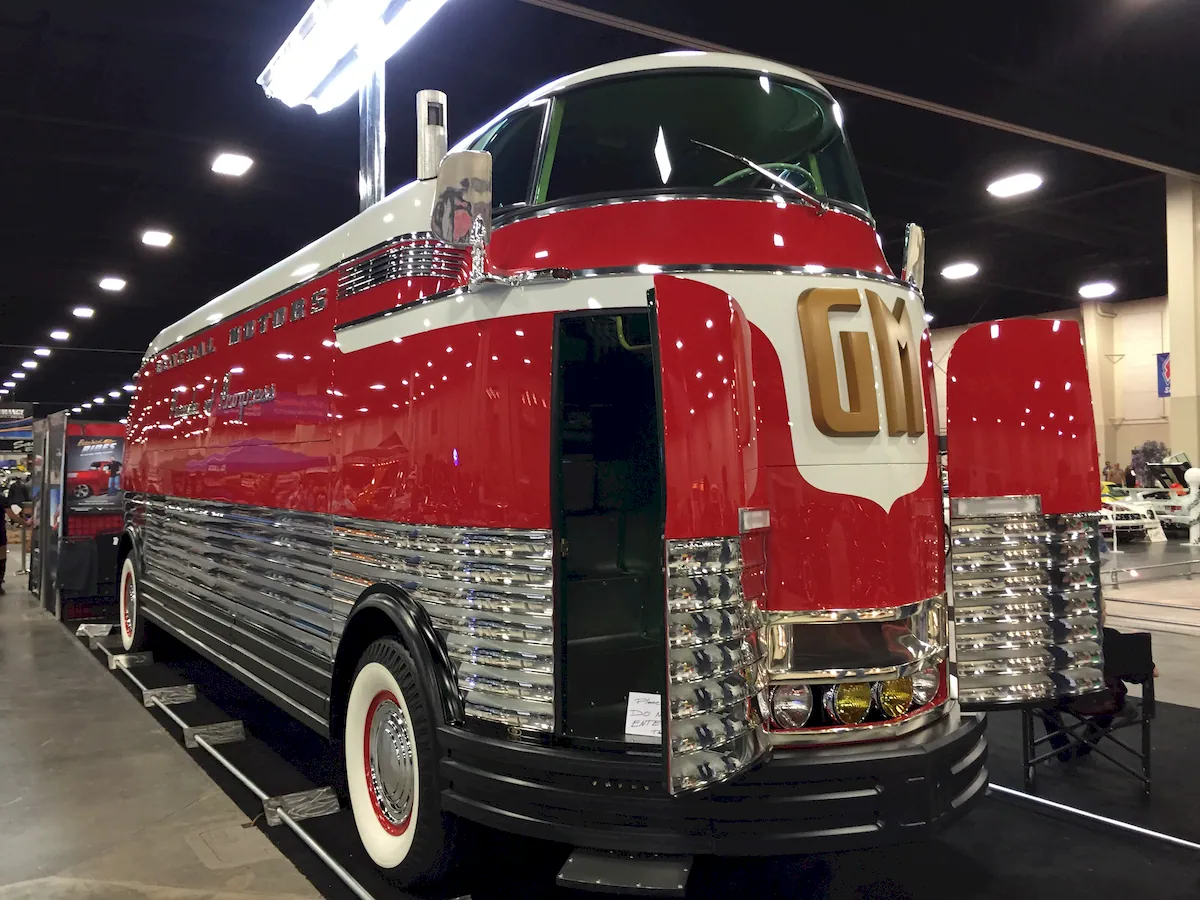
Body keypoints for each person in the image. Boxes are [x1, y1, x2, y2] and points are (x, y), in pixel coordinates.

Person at [0, 474, 32, 595]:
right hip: (0, 531)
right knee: (1, 557)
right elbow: (11, 515)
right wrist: (24, 523)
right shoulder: (1, 498)